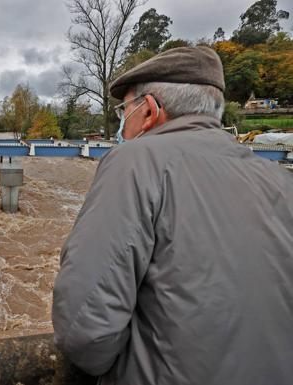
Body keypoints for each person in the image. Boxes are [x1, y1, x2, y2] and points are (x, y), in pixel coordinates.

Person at [52, 47, 293, 385]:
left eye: (124, 110)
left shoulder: (134, 161)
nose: (122, 122)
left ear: (149, 111)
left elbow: (83, 329)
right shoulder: (280, 179)